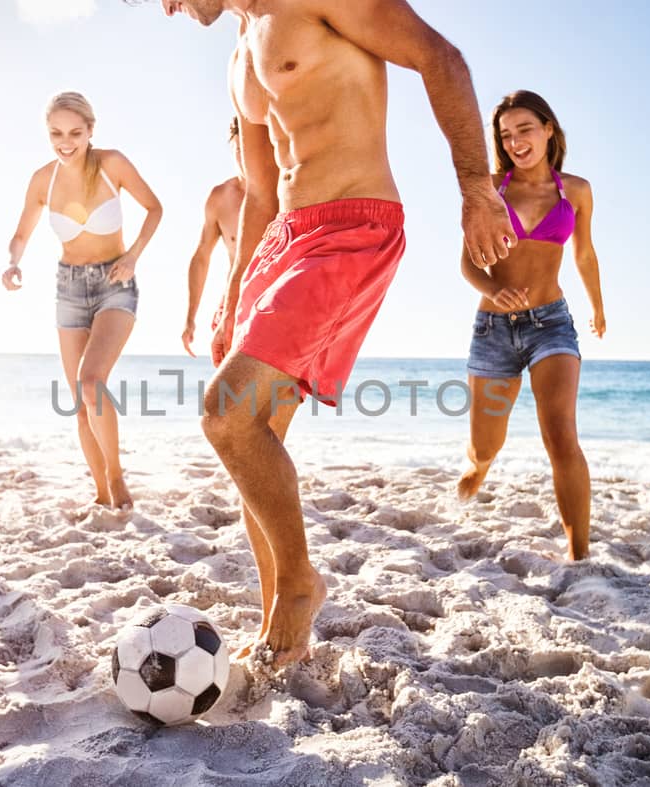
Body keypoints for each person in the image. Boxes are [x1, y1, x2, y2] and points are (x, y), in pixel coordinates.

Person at [157, 0, 516, 666]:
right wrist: (235, 294)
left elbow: (440, 58)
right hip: (283, 241)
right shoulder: (239, 55)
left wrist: (476, 187)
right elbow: (261, 193)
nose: (164, 5)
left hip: (352, 228)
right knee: (254, 446)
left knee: (226, 414)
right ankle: (279, 634)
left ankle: (299, 585)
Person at [457, 90, 606, 562]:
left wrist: (598, 308)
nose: (516, 141)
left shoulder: (575, 191)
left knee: (560, 433)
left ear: (548, 130)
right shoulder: (491, 188)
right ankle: (478, 468)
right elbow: (467, 264)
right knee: (485, 444)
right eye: (506, 135)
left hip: (551, 326)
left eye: (525, 129)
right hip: (493, 331)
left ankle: (579, 554)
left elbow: (583, 253)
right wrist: (492, 290)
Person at [2, 92, 164, 510]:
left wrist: (132, 257)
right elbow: (21, 234)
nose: (65, 141)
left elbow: (154, 209)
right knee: (81, 403)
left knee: (92, 383)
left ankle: (116, 476)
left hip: (115, 282)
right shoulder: (43, 180)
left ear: (91, 131)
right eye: (56, 133)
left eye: (75, 132)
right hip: (69, 289)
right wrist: (13, 263)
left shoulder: (112, 164)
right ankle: (99, 492)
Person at [182, 117, 246, 357]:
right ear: (231, 147)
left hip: (273, 302)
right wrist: (190, 318)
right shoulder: (220, 198)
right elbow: (201, 257)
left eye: (252, 148)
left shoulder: (281, 192)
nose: (245, 157)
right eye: (239, 149)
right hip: (233, 301)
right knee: (232, 383)